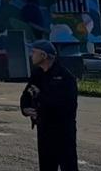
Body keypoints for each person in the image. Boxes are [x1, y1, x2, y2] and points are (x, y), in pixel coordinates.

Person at [20, 40, 79, 171]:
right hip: (44, 128)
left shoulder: (65, 77)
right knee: (46, 165)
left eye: (34, 52)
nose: (31, 55)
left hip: (62, 130)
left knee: (68, 166)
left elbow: (66, 105)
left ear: (44, 55)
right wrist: (25, 108)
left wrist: (40, 97)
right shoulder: (37, 73)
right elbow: (26, 94)